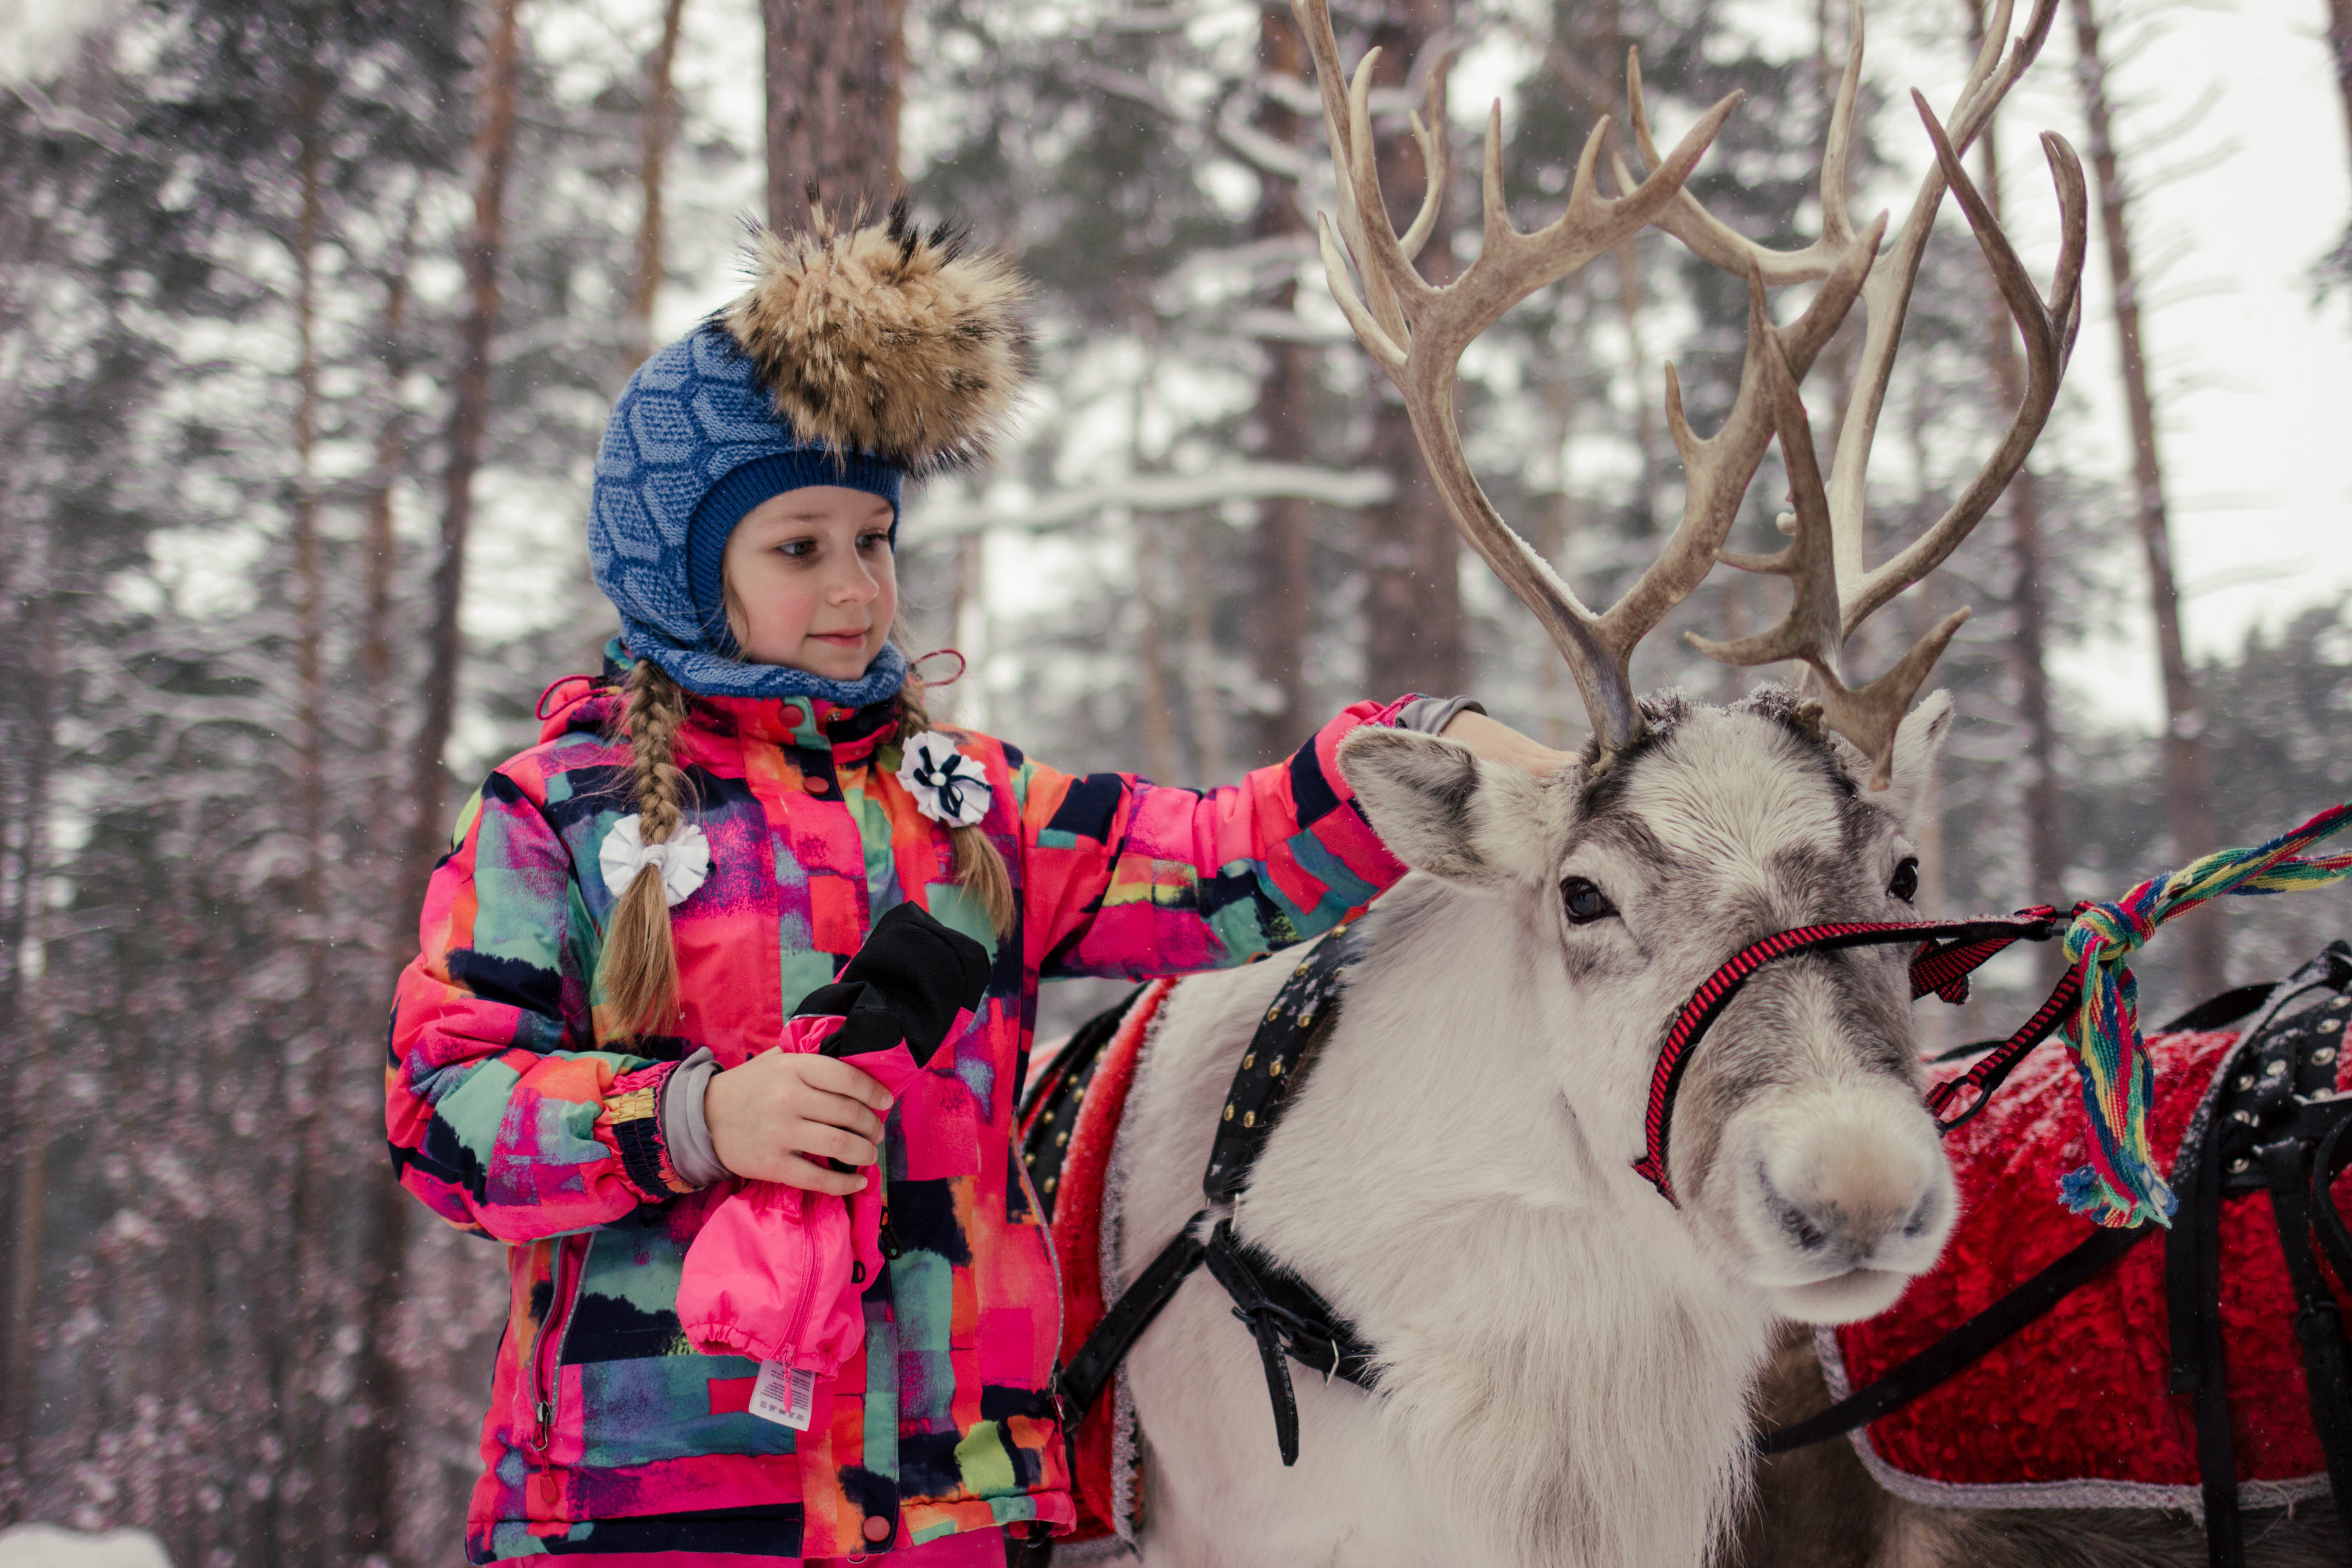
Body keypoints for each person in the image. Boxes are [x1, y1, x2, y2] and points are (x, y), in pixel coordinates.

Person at [384, 202, 1568, 1568]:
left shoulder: (970, 809)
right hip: (660, 1507)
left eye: (872, 540)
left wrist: (1404, 750)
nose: (854, 587)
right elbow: (442, 1112)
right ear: (683, 566)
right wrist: (701, 1116)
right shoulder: (559, 812)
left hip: (952, 1498)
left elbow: (1212, 865)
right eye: (798, 547)